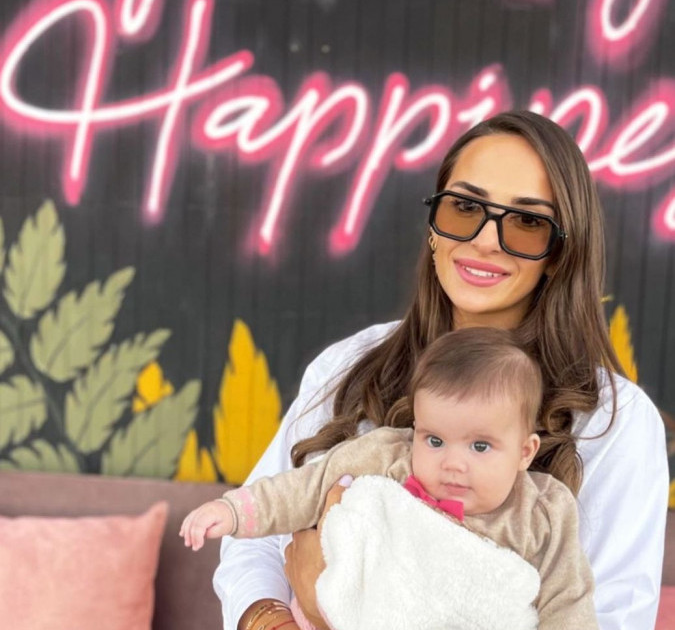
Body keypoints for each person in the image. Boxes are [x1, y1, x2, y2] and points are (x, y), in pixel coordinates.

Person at [214, 111, 669, 630]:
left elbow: (611, 618)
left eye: (527, 222)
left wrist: (325, 606)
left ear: (560, 252)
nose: (486, 241)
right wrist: (271, 621)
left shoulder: (613, 423)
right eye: (465, 207)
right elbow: (253, 541)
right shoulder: (347, 366)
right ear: (434, 225)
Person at [182, 327, 598, 629]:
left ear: (525, 452)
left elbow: (568, 601)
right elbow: (306, 487)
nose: (453, 464)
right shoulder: (388, 455)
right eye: (434, 440)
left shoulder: (542, 511)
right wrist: (233, 510)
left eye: (480, 446)